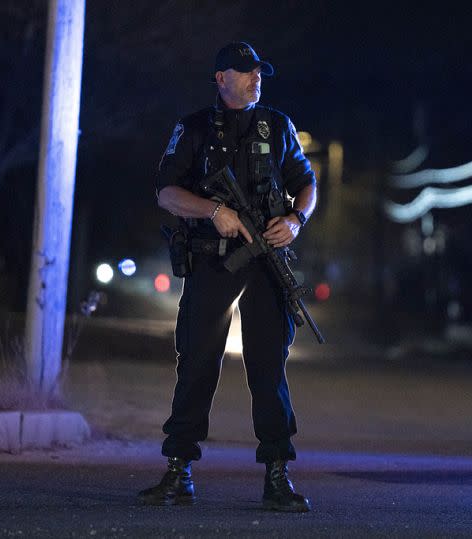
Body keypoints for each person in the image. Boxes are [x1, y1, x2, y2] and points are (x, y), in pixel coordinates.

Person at [139, 42, 317, 513]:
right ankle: (179, 470)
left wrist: (296, 220)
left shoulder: (277, 125)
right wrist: (213, 210)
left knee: (268, 366)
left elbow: (306, 182)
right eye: (244, 72)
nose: (256, 79)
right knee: (197, 361)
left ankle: (277, 474)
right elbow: (166, 191)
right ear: (220, 78)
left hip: (265, 262)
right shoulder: (194, 127)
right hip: (213, 259)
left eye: (259, 72)